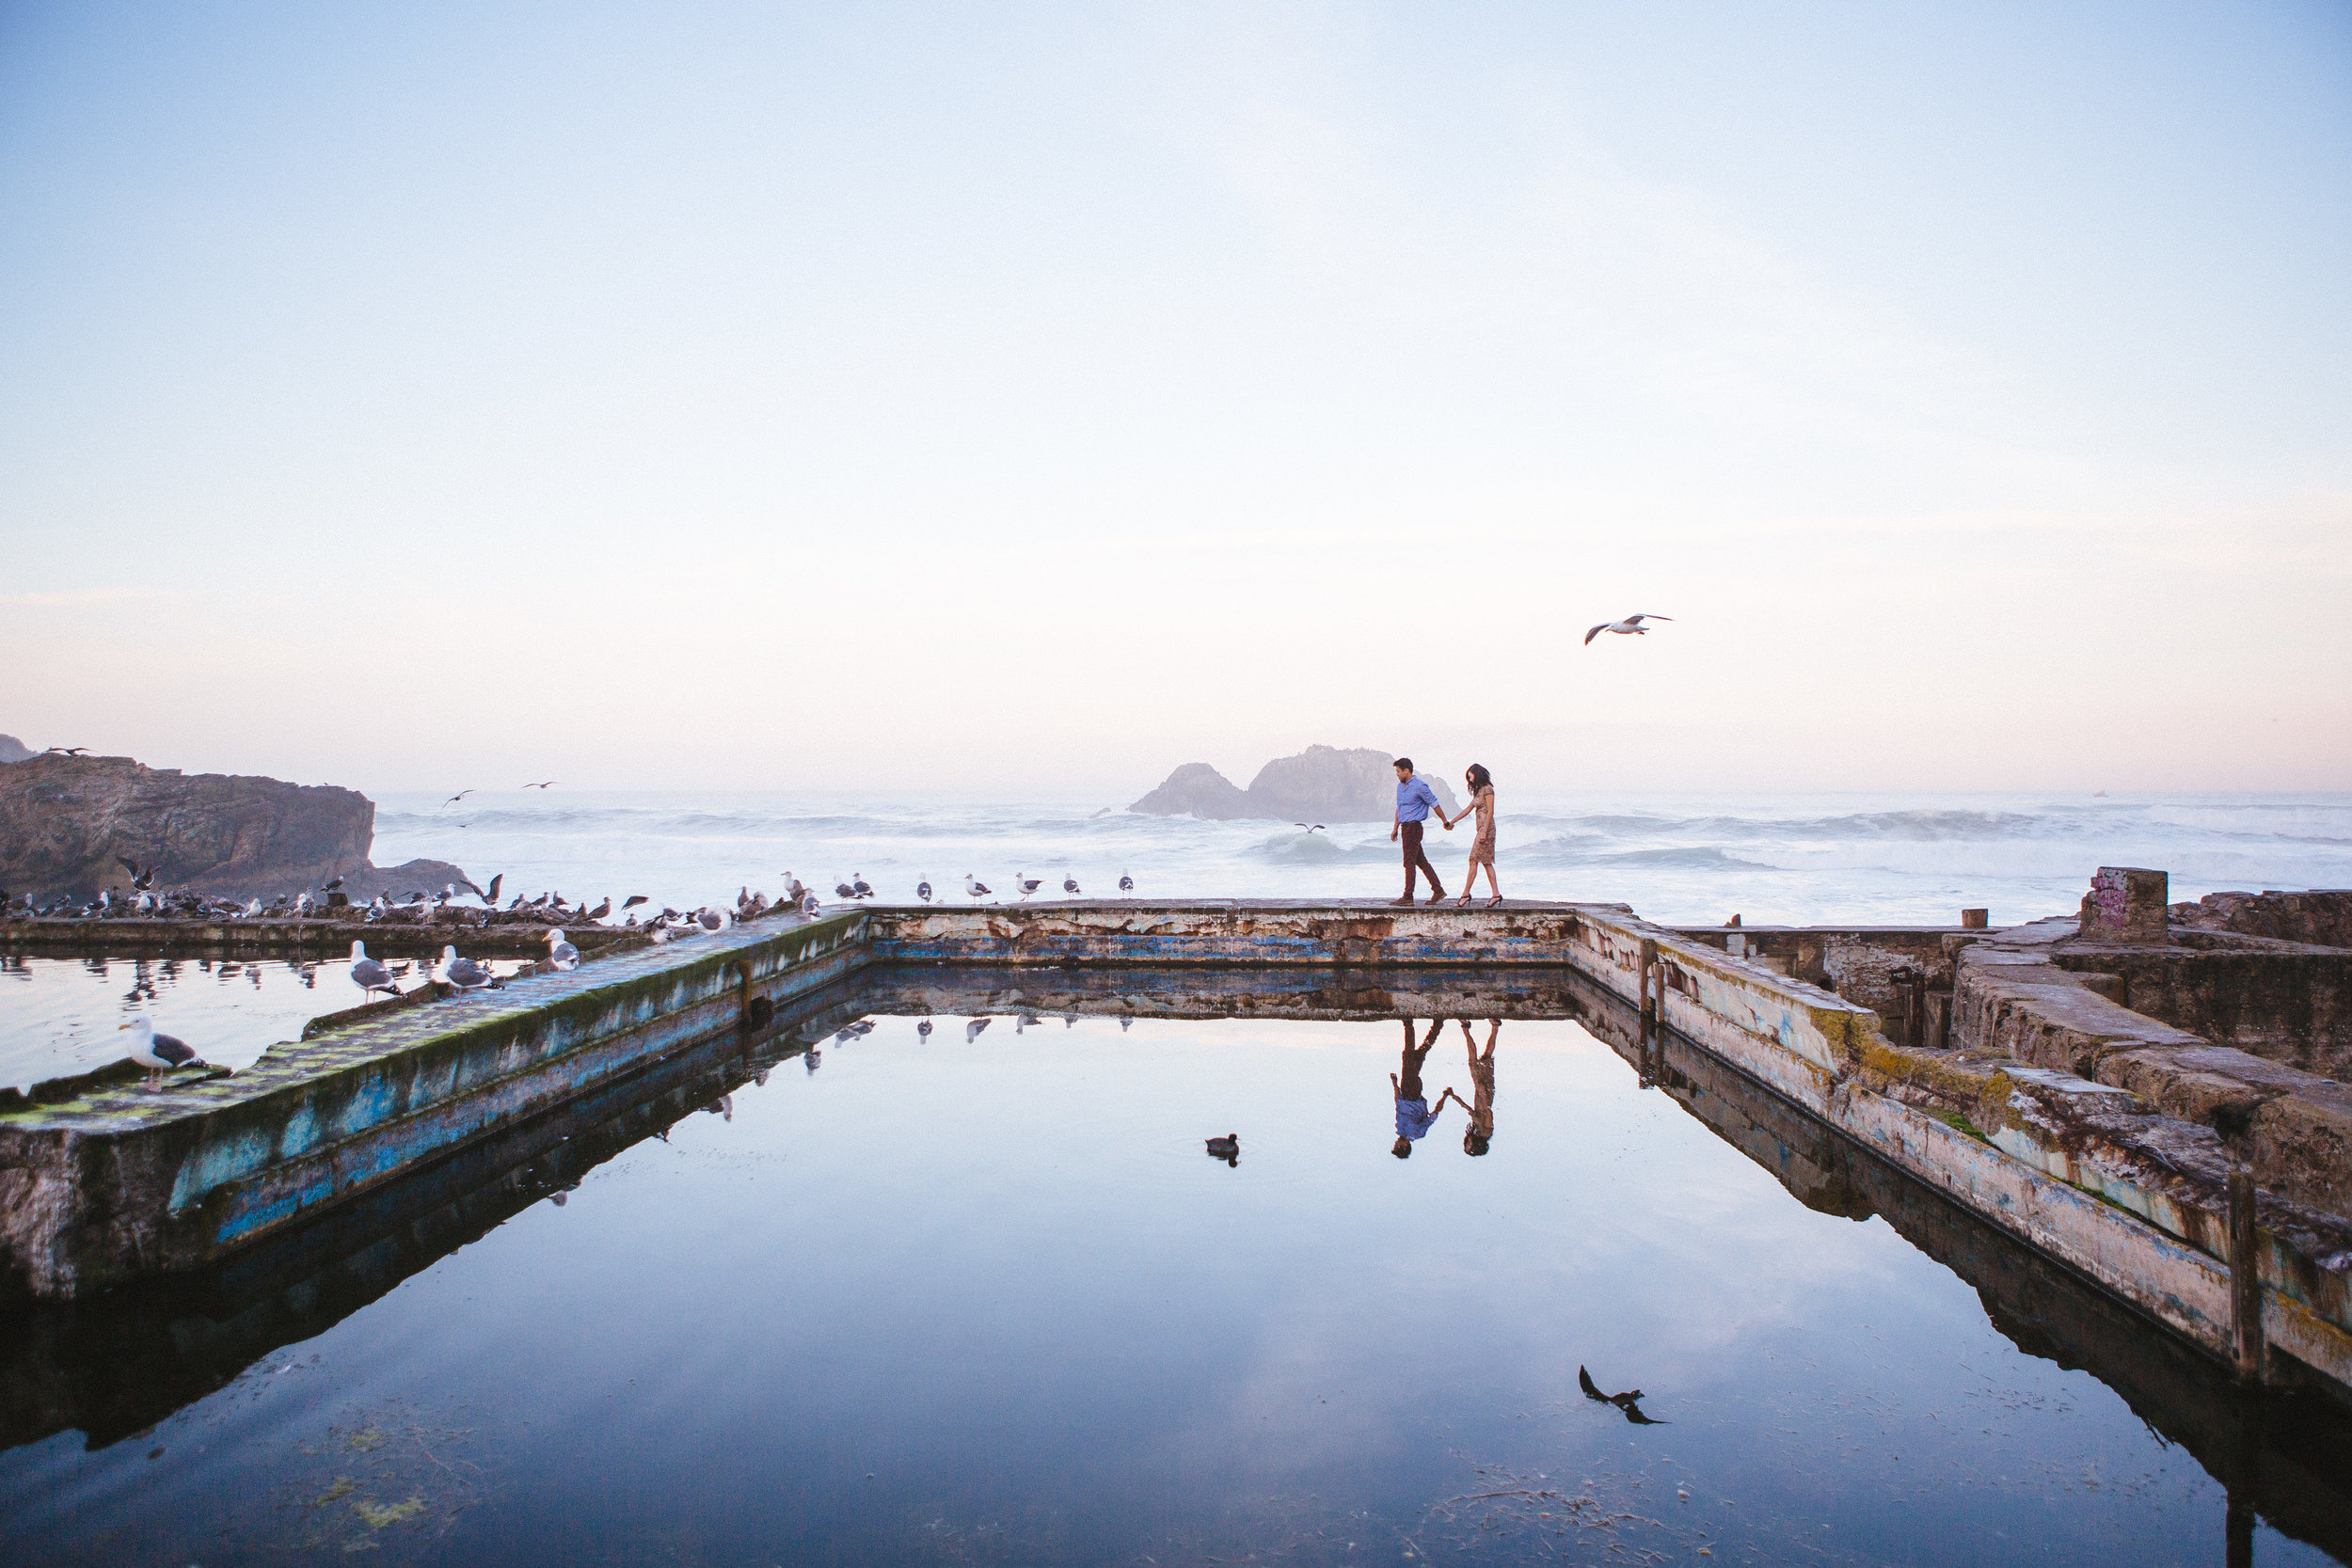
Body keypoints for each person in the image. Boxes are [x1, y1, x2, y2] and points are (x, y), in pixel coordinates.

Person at [1391, 1018, 1467, 1158]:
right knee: (1408, 1055)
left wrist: (1395, 1085)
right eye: (1398, 1146)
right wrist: (1444, 1097)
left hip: (1405, 1090)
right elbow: (1433, 1116)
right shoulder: (1417, 1133)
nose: (1396, 1143)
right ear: (1405, 1146)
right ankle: (1408, 1023)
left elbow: (1398, 1104)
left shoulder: (1399, 1129)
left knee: (1418, 1055)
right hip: (1413, 1093)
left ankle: (1437, 1025)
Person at [1389, 757, 1448, 907]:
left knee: (1409, 861)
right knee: (1420, 861)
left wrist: (1444, 821)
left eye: (1398, 771)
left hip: (1414, 827)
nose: (1397, 774)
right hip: (1404, 827)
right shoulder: (1400, 787)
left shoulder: (1420, 786)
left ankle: (1408, 896)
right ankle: (1438, 889)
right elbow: (1399, 808)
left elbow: (1434, 803)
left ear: (1406, 771)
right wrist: (1395, 827)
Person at [1444, 763, 1502, 907]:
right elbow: (1468, 809)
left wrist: (1484, 831)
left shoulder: (1488, 790)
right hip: (1481, 830)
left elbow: (1490, 812)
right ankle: (1496, 894)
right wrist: (1452, 822)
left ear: (1477, 774)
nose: (1469, 779)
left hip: (1486, 830)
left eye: (1470, 776)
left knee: (1473, 860)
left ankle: (1465, 894)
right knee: (1486, 862)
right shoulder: (1479, 792)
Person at [1459, 1019, 1499, 1156]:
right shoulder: (1486, 1132)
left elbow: (1471, 1111)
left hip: (1481, 1093)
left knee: (1481, 1060)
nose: (1467, 1143)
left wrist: (1454, 1098)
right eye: (1469, 1146)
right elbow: (1489, 1112)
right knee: (1477, 1061)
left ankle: (1469, 1029)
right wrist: (1483, 1094)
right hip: (1485, 1094)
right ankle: (1467, 1029)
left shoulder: (1477, 1130)